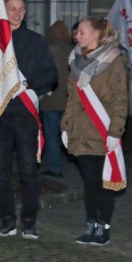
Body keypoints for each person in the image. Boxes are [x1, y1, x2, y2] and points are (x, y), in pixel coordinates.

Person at [0, 0, 57, 239]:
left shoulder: (36, 42)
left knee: (29, 170)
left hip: (25, 114)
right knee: (0, 170)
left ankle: (29, 221)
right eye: (12, 9)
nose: (17, 13)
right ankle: (7, 220)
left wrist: (27, 84)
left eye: (21, 9)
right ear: (3, 11)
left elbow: (51, 74)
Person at [61, 17, 127, 246]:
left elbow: (120, 100)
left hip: (103, 129)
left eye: (81, 32)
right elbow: (72, 100)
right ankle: (90, 224)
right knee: (90, 182)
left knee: (104, 182)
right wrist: (66, 127)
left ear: (96, 35)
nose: (76, 36)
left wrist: (115, 131)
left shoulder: (114, 61)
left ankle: (103, 227)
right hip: (82, 132)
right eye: (77, 32)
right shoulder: (76, 61)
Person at [40, 20, 74, 178]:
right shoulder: (73, 50)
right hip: (70, 99)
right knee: (69, 134)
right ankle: (75, 161)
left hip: (51, 99)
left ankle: (55, 167)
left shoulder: (48, 49)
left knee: (51, 135)